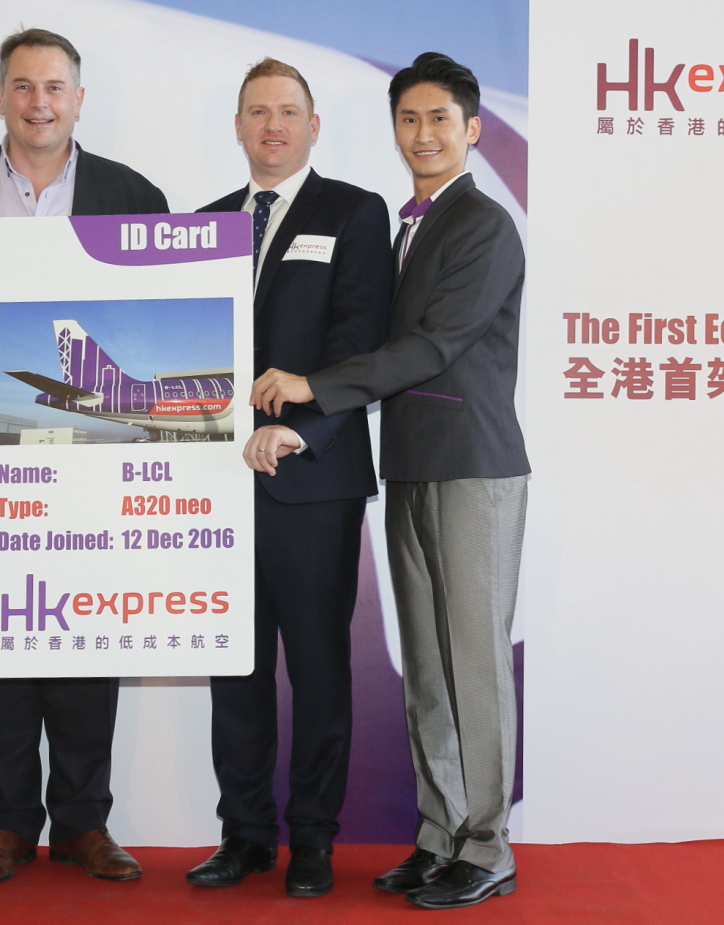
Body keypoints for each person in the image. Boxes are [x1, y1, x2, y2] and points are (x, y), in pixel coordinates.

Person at [250, 52, 529, 910]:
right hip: (408, 463)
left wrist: (313, 387)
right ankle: (441, 833)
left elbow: (431, 346)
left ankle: (488, 843)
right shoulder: (410, 225)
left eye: (441, 118)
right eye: (409, 119)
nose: (425, 133)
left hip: (473, 467)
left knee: (473, 660)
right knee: (428, 664)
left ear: (473, 129)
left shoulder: (482, 225)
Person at [0, 28, 168, 885]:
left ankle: (84, 823)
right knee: (7, 642)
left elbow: (160, 334)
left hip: (98, 465)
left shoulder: (135, 194)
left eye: (55, 87)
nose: (40, 102)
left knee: (91, 638)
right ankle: (8, 826)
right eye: (23, 87)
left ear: (79, 99)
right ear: (1, 97)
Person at [182, 57, 393, 899]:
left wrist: (297, 432)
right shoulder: (202, 225)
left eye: (289, 112)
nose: (273, 125)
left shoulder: (353, 211)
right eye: (257, 112)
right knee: (232, 668)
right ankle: (243, 833)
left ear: (314, 126)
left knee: (315, 667)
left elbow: (360, 340)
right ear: (237, 126)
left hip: (312, 482)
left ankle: (312, 837)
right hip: (217, 484)